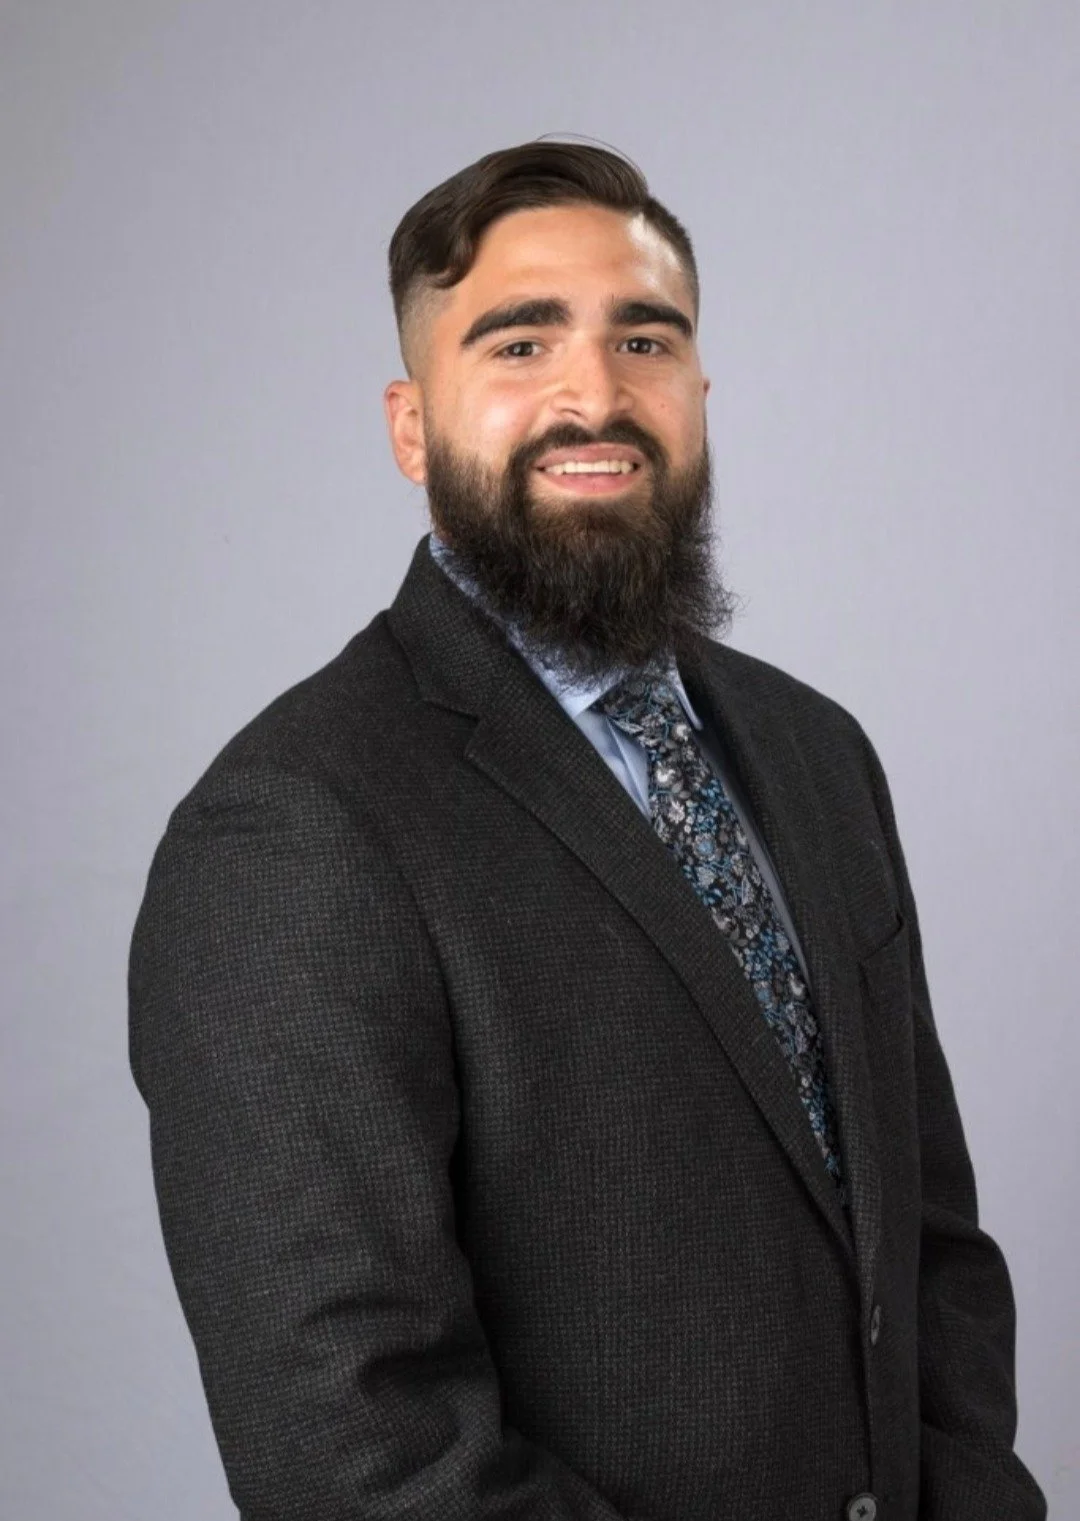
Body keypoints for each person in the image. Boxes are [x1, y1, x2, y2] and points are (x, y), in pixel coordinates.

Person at [128, 141, 1046, 1521]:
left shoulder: (816, 751)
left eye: (645, 338)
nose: (595, 395)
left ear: (700, 392)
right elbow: (355, 1453)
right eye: (517, 343)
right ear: (409, 425)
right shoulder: (294, 830)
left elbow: (929, 1248)